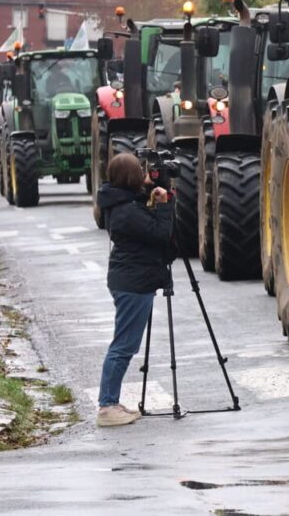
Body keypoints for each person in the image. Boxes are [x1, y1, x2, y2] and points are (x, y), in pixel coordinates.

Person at [95, 153, 174, 427]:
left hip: (132, 279)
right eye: (140, 171)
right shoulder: (127, 211)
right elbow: (161, 235)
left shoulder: (121, 202)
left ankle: (111, 402)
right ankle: (107, 406)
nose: (144, 174)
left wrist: (152, 192)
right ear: (130, 177)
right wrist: (164, 206)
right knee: (124, 345)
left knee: (125, 344)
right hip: (133, 282)